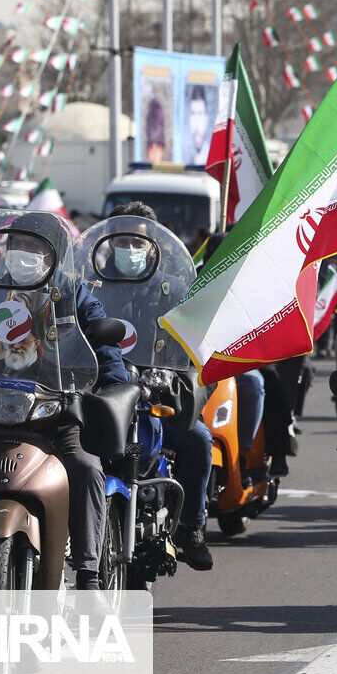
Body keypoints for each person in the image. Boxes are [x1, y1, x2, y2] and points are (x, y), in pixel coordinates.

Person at [0, 212, 128, 591]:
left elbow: (104, 346)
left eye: (35, 247)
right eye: (18, 245)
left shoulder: (74, 295)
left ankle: (89, 577)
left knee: (86, 469)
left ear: (53, 254)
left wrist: (112, 384)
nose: (25, 254)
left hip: (55, 415)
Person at [103, 202, 215, 571]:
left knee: (198, 439)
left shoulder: (176, 289)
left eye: (139, 241)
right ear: (109, 241)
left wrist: (173, 380)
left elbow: (199, 352)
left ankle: (190, 527)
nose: (131, 249)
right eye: (124, 240)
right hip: (103, 397)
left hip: (155, 399)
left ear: (154, 245)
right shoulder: (90, 287)